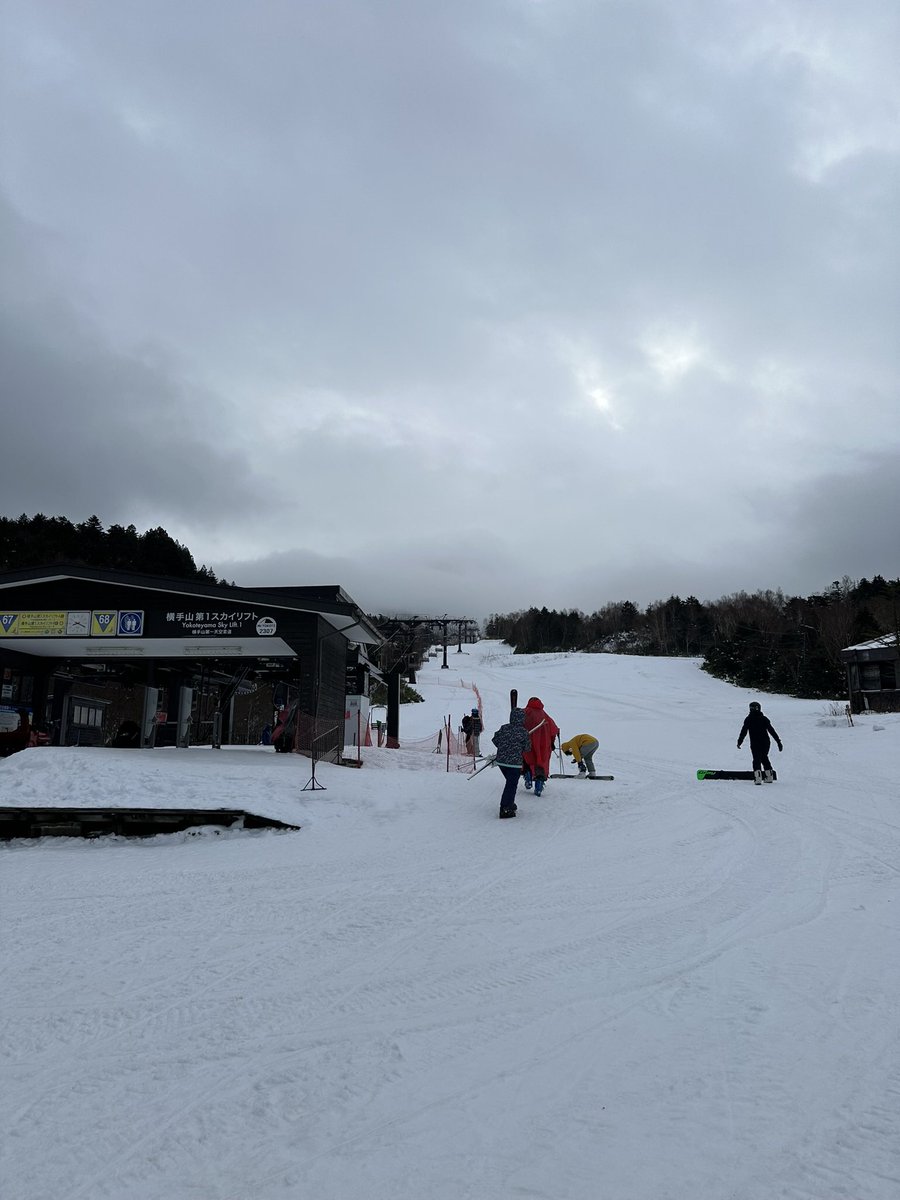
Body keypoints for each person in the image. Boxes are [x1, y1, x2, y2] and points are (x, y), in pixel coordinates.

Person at [491, 707, 531, 819]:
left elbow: (495, 740)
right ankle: (505, 808)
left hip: (501, 762)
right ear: (522, 719)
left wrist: (504, 747)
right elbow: (527, 748)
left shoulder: (504, 728)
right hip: (514, 763)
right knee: (511, 785)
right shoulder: (523, 732)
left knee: (510, 783)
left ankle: (510, 803)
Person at [521, 697, 560, 797]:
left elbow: (517, 724)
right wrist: (552, 742)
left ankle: (528, 776)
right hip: (543, 745)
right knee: (540, 763)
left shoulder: (524, 712)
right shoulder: (545, 715)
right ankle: (539, 785)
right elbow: (553, 730)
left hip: (527, 741)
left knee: (526, 760)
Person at [737, 701, 783, 784]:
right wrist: (778, 741)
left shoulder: (749, 719)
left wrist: (739, 741)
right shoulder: (764, 719)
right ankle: (769, 776)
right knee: (764, 757)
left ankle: (758, 778)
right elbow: (772, 731)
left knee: (757, 759)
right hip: (766, 742)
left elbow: (743, 731)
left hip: (755, 742)